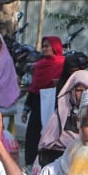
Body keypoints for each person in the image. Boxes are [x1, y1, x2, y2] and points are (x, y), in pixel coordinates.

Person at [37, 70, 88, 165]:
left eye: (87, 90)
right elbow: (46, 143)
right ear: (72, 91)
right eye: (79, 90)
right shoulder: (62, 113)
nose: (83, 94)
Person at [22, 36, 65, 167]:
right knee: (33, 136)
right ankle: (31, 165)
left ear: (55, 47)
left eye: (47, 46)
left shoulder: (63, 64)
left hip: (55, 107)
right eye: (44, 46)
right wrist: (26, 110)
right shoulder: (40, 66)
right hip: (38, 105)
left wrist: (58, 85)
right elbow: (33, 88)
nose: (44, 49)